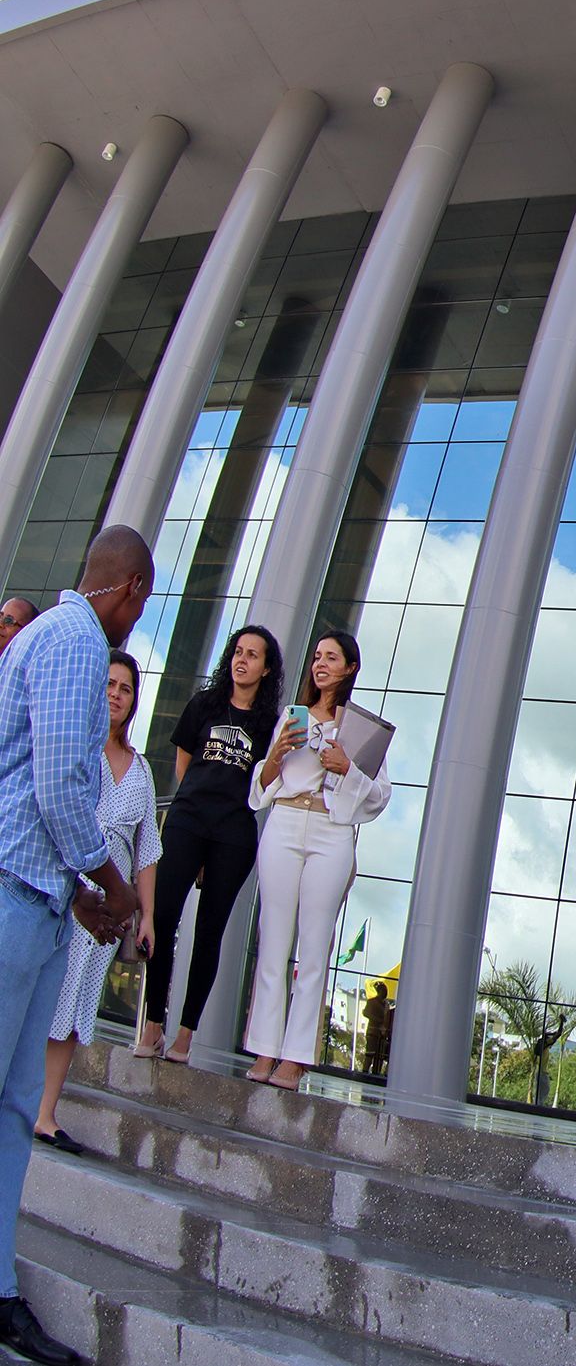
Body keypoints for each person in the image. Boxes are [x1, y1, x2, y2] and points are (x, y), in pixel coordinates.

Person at [0, 526, 151, 1366]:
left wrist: (83, 898)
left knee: (16, 1108)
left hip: (41, 901)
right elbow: (62, 780)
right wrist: (113, 885)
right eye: (144, 597)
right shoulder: (71, 641)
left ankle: (0, 1291)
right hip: (11, 899)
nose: (140, 612)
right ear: (128, 588)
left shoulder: (64, 640)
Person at [244, 631, 390, 1089]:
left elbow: (381, 795)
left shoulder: (361, 727)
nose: (320, 664)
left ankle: (296, 1056)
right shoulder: (292, 717)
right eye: (317, 657)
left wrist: (349, 766)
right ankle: (265, 1049)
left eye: (332, 658)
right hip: (285, 823)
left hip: (331, 831)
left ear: (350, 668)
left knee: (315, 946)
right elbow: (263, 786)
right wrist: (275, 755)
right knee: (273, 939)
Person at [34, 652, 161, 1156]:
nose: (115, 693)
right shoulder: (78, 748)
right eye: (109, 684)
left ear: (134, 702)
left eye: (126, 688)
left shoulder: (143, 770)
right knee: (42, 996)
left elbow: (147, 849)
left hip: (111, 911)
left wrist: (146, 915)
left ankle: (45, 1114)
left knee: (70, 1012)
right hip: (66, 890)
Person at [138, 624, 283, 1063]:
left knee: (210, 932)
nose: (242, 660)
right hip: (187, 821)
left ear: (266, 667)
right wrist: (196, 809)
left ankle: (185, 1035)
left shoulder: (269, 725)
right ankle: (153, 1025)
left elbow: (267, 781)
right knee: (162, 914)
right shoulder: (204, 703)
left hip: (234, 834)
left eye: (253, 655)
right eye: (238, 652)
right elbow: (184, 763)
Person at [360, 980, 393, 1077]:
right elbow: (366, 1013)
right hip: (372, 1032)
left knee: (379, 1057)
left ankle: (376, 1073)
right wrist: (378, 1020)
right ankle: (364, 1073)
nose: (385, 993)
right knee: (370, 1054)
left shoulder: (386, 1005)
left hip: (382, 1034)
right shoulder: (372, 1002)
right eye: (383, 991)